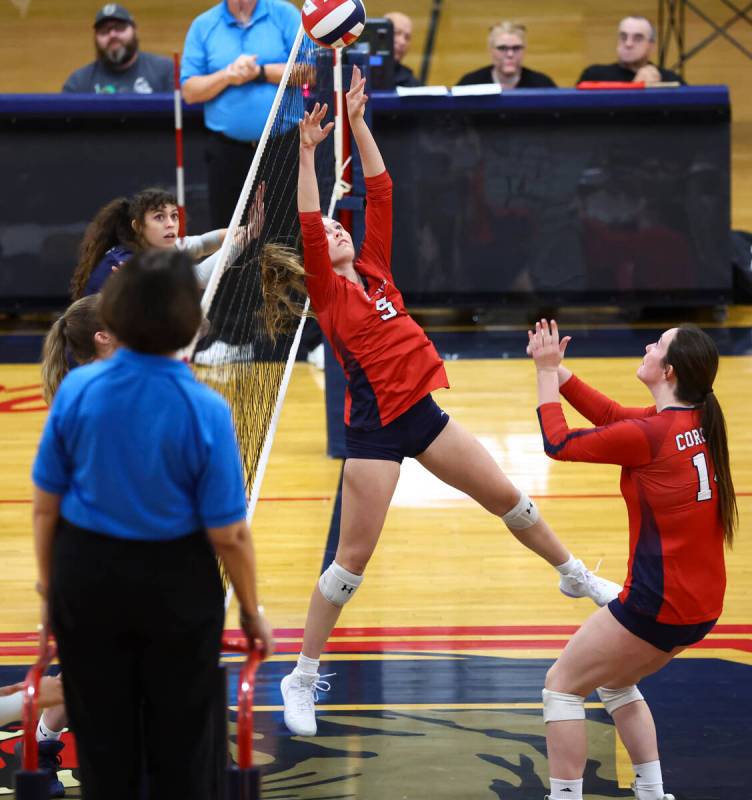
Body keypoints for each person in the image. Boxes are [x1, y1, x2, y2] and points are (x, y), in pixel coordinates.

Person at [279, 66, 620, 738]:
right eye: (331, 232)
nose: (339, 232)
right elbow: (308, 218)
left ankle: (574, 574)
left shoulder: (374, 265)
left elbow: (382, 189)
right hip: (376, 432)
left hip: (424, 417)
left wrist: (358, 122)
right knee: (349, 566)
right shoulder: (327, 289)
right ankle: (301, 674)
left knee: (512, 500)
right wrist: (308, 152)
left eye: (343, 230)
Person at [31, 249, 274, 800]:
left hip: (87, 580)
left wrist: (51, 591)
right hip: (175, 588)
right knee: (183, 747)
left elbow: (46, 507)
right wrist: (253, 612)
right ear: (188, 320)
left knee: (103, 749)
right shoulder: (203, 409)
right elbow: (229, 535)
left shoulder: (77, 391)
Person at [527, 320, 736, 800]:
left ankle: (564, 797)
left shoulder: (655, 434)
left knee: (561, 685)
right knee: (617, 683)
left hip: (657, 605)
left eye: (657, 343)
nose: (647, 344)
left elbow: (557, 444)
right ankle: (652, 791)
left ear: (668, 370)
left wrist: (542, 375)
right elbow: (616, 416)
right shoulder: (694, 419)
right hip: (700, 607)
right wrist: (560, 374)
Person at [181, 0, 299, 229]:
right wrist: (227, 76)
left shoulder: (285, 14)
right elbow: (189, 92)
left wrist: (260, 72)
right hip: (227, 153)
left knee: (287, 233)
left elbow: (311, 70)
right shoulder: (203, 25)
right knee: (229, 234)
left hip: (283, 148)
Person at [70, 187, 230, 300]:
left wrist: (247, 228)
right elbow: (200, 277)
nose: (170, 224)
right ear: (138, 226)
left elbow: (202, 244)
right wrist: (244, 240)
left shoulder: (156, 246)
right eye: (159, 217)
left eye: (174, 216)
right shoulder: (128, 261)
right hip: (98, 342)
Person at [62, 4, 173, 94]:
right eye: (104, 31)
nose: (112, 35)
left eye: (120, 27)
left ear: (135, 30)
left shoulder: (166, 72)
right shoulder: (79, 82)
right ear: (95, 38)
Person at [578, 16, 684, 86]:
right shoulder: (594, 76)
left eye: (638, 38)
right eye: (623, 37)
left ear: (651, 46)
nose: (628, 44)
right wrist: (636, 88)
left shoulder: (669, 80)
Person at [456, 22, 556, 89]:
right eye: (502, 48)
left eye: (516, 48)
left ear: (524, 50)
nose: (510, 54)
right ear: (491, 50)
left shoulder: (542, 85)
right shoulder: (470, 84)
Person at [385, 11, 421, 88]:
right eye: (396, 33)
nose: (402, 42)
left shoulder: (413, 84)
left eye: (407, 37)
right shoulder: (357, 73)